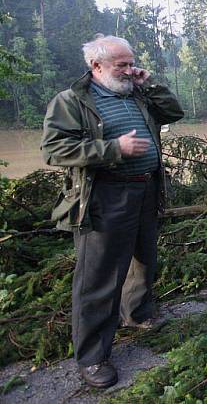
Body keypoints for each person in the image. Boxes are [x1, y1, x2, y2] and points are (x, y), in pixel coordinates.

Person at [41, 35, 184, 388]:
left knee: (143, 259)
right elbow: (55, 149)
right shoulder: (72, 101)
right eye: (121, 64)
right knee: (98, 279)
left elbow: (173, 112)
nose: (129, 68)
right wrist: (113, 148)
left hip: (146, 189)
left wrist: (148, 82)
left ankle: (136, 315)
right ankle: (92, 358)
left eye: (130, 61)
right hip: (105, 196)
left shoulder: (135, 92)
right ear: (97, 66)